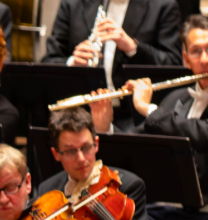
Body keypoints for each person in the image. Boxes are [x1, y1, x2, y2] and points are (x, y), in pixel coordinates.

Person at [90, 13, 208, 220]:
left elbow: (202, 133)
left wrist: (148, 109)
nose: (205, 60)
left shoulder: (161, 109)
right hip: (161, 209)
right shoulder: (176, 99)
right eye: (196, 51)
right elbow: (139, 144)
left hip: (202, 217)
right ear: (186, 58)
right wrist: (105, 126)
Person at [42, 0, 182, 129]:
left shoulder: (162, 5)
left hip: (133, 119)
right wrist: (72, 62)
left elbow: (173, 65)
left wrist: (133, 48)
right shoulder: (73, 3)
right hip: (78, 114)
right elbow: (49, 61)